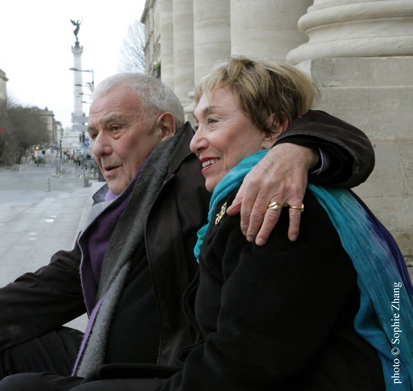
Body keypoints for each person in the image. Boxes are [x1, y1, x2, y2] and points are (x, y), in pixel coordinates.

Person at [0, 73, 376, 391]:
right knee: (6, 356)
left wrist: (298, 148)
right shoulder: (128, 201)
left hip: (171, 364)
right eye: (91, 134)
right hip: (130, 354)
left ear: (163, 129)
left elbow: (322, 126)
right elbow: (53, 285)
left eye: (115, 128)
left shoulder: (200, 177)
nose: (99, 148)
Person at [73, 58, 413, 391]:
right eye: (198, 122)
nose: (195, 141)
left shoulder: (275, 208)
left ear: (273, 128)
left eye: (214, 121)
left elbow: (244, 363)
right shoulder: (239, 196)